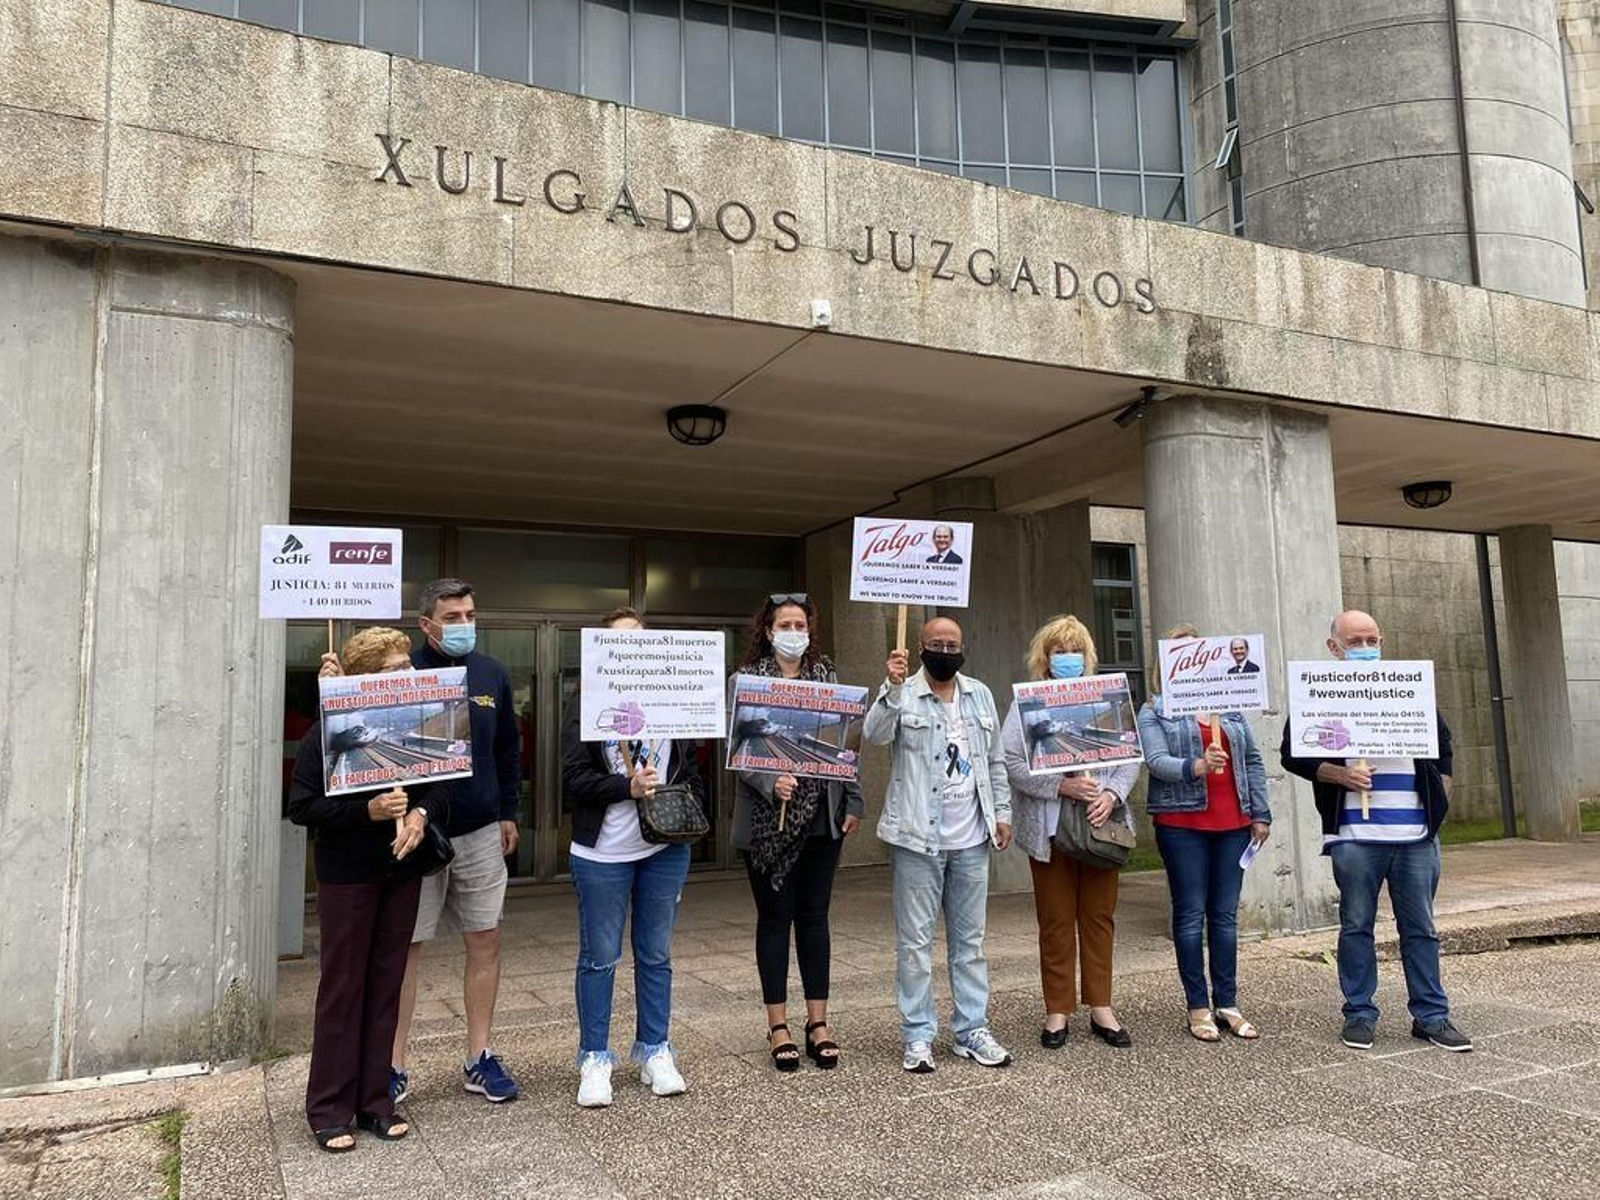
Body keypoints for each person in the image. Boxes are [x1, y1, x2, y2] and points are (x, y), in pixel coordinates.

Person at [1280, 610, 1470, 1053]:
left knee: (1421, 927)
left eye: (1372, 639)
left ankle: (1431, 1016)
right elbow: (1293, 753)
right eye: (1355, 641)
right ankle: (1360, 1014)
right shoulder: (1319, 695)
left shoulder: (1408, 688)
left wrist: (1439, 798)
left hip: (1415, 834)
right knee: (1356, 924)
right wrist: (1336, 774)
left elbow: (1443, 747)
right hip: (1355, 834)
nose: (1365, 648)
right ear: (1334, 647)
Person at [290, 627, 435, 1152]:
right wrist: (366, 811)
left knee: (386, 983)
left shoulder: (416, 722)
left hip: (402, 867)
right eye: (397, 669)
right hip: (348, 872)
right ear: (368, 679)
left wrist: (419, 813)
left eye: (408, 666)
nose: (408, 675)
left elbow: (439, 783)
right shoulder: (328, 730)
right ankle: (329, 1106)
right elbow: (302, 807)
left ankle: (376, 1101)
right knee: (344, 987)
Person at [560, 606, 703, 1107]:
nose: (629, 650)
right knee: (599, 958)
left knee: (656, 954)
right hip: (602, 854)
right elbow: (570, 779)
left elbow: (691, 768)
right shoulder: (585, 704)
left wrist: (684, 804)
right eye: (618, 642)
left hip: (663, 849)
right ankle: (595, 1058)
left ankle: (654, 1049)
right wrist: (626, 786)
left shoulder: (675, 698)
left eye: (638, 641)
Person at [864, 615, 1013, 1073]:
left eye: (952, 644)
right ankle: (918, 1035)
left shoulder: (980, 694)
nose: (945, 651)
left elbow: (994, 760)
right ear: (920, 646)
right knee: (914, 945)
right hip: (917, 841)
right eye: (936, 644)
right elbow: (872, 735)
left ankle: (971, 1030)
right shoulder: (902, 692)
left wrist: (1002, 813)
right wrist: (889, 688)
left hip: (972, 839)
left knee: (970, 943)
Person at [396, 579, 523, 1102]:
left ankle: (478, 1056)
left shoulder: (491, 672)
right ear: (426, 624)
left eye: (469, 613)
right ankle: (392, 1064)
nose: (464, 624)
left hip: (478, 831)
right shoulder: (401, 673)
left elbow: (509, 749)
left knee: (485, 941)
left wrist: (509, 813)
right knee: (404, 949)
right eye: (451, 617)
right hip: (416, 835)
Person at [732, 593, 864, 1073]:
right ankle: (778, 1025)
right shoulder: (747, 683)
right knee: (773, 920)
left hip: (821, 818)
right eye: (783, 624)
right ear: (768, 631)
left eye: (799, 623)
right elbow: (739, 749)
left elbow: (846, 747)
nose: (793, 631)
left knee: (814, 919)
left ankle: (818, 1022)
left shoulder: (828, 679)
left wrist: (853, 801)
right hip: (768, 822)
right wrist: (771, 780)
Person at [1002, 615, 1140, 1050]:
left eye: (1074, 650)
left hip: (1102, 823)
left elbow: (1130, 755)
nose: (1067, 658)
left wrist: (1112, 795)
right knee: (1056, 921)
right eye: (1059, 651)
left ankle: (1101, 1006)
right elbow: (1011, 762)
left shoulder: (1106, 697)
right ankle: (1057, 1010)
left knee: (1098, 918)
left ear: (1087, 656)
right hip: (1049, 828)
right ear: (1046, 657)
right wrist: (1060, 785)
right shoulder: (1027, 702)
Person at [1138, 624, 1271, 1042]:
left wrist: (1260, 813)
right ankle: (1197, 1006)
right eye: (1181, 653)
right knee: (1191, 915)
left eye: (1196, 651)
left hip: (1233, 823)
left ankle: (1227, 1002)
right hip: (1182, 826)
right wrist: (1195, 766)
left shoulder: (1230, 707)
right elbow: (1156, 761)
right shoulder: (1154, 709)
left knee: (1226, 917)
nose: (1191, 658)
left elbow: (1251, 760)